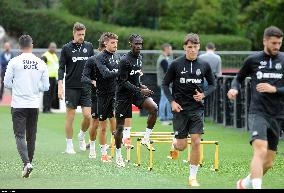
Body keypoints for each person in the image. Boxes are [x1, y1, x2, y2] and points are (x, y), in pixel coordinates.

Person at [227, 26, 284, 189]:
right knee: (260, 150)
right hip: (258, 112)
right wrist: (234, 88)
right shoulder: (253, 60)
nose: (277, 46)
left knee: (268, 162)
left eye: (279, 43)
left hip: (278, 114)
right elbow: (238, 78)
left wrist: (275, 89)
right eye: (274, 43)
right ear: (265, 41)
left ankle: (244, 183)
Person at [162, 33, 216, 187]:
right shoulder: (176, 64)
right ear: (185, 47)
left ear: (199, 47)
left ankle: (192, 177)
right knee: (181, 146)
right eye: (190, 47)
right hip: (179, 109)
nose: (193, 50)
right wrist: (172, 102)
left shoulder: (204, 65)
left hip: (197, 109)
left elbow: (213, 84)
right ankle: (175, 144)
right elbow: (165, 85)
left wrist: (204, 94)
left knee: (196, 142)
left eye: (195, 47)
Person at [4, 35, 50, 178]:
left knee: (19, 135)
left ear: (19, 46)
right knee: (31, 136)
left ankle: (26, 163)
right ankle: (28, 164)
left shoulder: (14, 61)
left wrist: (18, 86)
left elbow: (6, 83)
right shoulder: (40, 63)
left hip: (18, 104)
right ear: (32, 45)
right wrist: (35, 87)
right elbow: (46, 86)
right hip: (33, 104)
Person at [115, 34, 158, 167]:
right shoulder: (124, 60)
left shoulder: (140, 58)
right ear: (130, 44)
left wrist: (141, 86)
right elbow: (122, 82)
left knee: (154, 108)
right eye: (136, 44)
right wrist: (140, 90)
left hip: (136, 92)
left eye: (140, 44)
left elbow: (135, 78)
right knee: (120, 127)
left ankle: (146, 138)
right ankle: (118, 155)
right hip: (123, 95)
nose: (139, 46)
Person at [58, 22, 94, 154]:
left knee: (88, 116)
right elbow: (61, 68)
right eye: (79, 34)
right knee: (70, 117)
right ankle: (69, 145)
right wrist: (60, 86)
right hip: (71, 87)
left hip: (86, 86)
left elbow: (92, 65)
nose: (81, 37)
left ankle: (81, 135)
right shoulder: (66, 48)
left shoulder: (89, 47)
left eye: (83, 34)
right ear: (74, 33)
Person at [81, 32, 117, 161]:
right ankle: (92, 147)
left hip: (110, 94)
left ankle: (110, 146)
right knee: (95, 123)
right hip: (96, 95)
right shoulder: (93, 60)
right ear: (104, 44)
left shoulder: (113, 58)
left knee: (108, 122)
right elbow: (84, 77)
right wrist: (92, 82)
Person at [156, 43, 173, 125]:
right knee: (164, 100)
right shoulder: (163, 60)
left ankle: (169, 118)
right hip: (164, 84)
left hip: (165, 83)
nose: (171, 51)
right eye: (170, 49)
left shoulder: (165, 58)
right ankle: (163, 118)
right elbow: (168, 72)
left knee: (167, 100)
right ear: (166, 49)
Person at [41, 42, 59, 113]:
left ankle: (49, 108)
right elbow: (41, 67)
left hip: (54, 77)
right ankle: (45, 109)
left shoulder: (55, 55)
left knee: (52, 94)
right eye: (52, 47)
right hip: (47, 78)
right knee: (47, 94)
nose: (54, 49)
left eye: (55, 47)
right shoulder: (45, 56)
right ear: (49, 47)